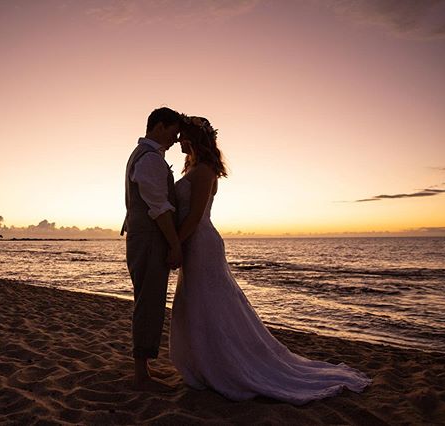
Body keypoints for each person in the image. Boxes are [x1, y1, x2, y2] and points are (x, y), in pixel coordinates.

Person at [169, 116, 372, 403]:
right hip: (194, 242)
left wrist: (175, 243)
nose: (177, 140)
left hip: (200, 242)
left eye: (182, 136)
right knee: (198, 303)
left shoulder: (203, 171)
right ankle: (204, 362)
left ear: (192, 138)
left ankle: (223, 365)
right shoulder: (195, 168)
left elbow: (194, 216)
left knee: (208, 303)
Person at [121, 107, 182, 391]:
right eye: (173, 132)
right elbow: (158, 208)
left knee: (146, 300)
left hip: (141, 237)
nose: (175, 138)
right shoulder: (150, 160)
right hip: (149, 239)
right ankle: (141, 374)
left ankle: (142, 368)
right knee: (150, 302)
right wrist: (174, 244)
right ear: (159, 126)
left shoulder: (141, 155)